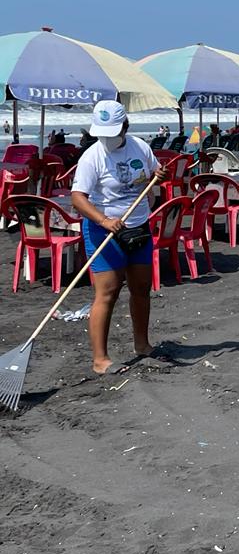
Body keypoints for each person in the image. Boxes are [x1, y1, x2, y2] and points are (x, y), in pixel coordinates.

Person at [70, 102, 168, 375]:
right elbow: (77, 198)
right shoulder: (92, 157)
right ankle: (100, 359)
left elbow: (151, 175)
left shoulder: (140, 147)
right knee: (108, 292)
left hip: (138, 226)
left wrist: (158, 176)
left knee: (141, 288)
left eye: (113, 131)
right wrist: (104, 220)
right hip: (104, 231)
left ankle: (143, 344)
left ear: (125, 127)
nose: (108, 137)